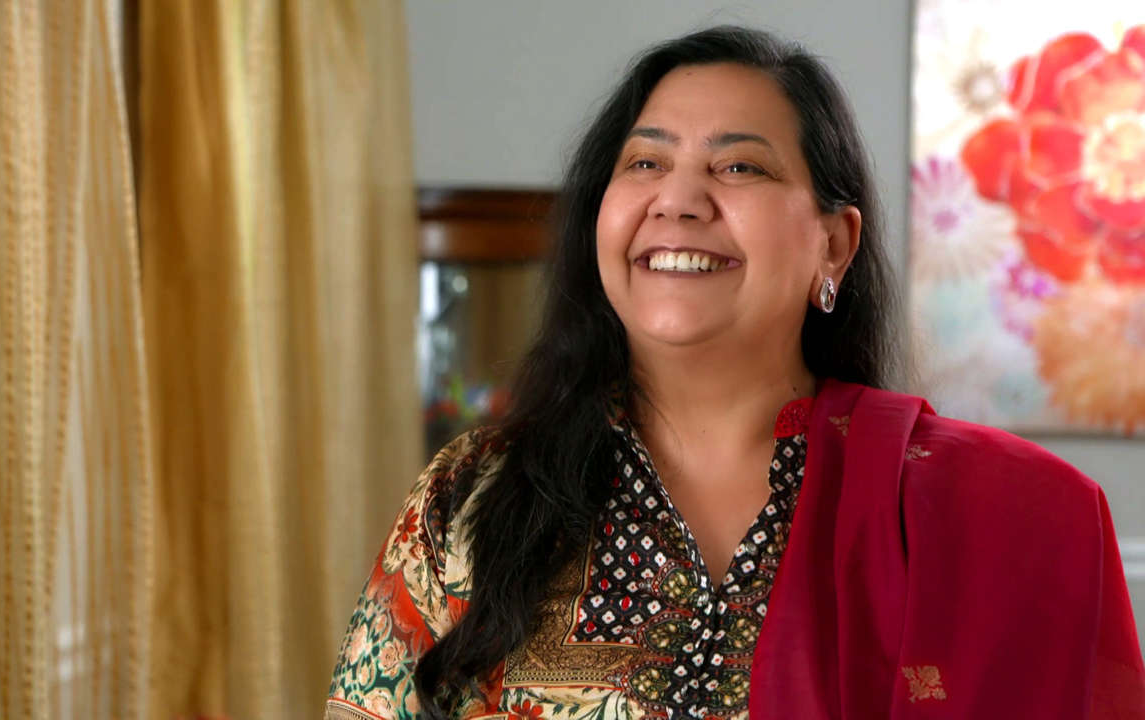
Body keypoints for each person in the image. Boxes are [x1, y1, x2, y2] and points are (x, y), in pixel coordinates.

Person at [324, 26, 1145, 720]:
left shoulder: (1005, 513)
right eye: (644, 163)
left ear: (834, 245)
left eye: (739, 167)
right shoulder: (472, 494)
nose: (678, 199)